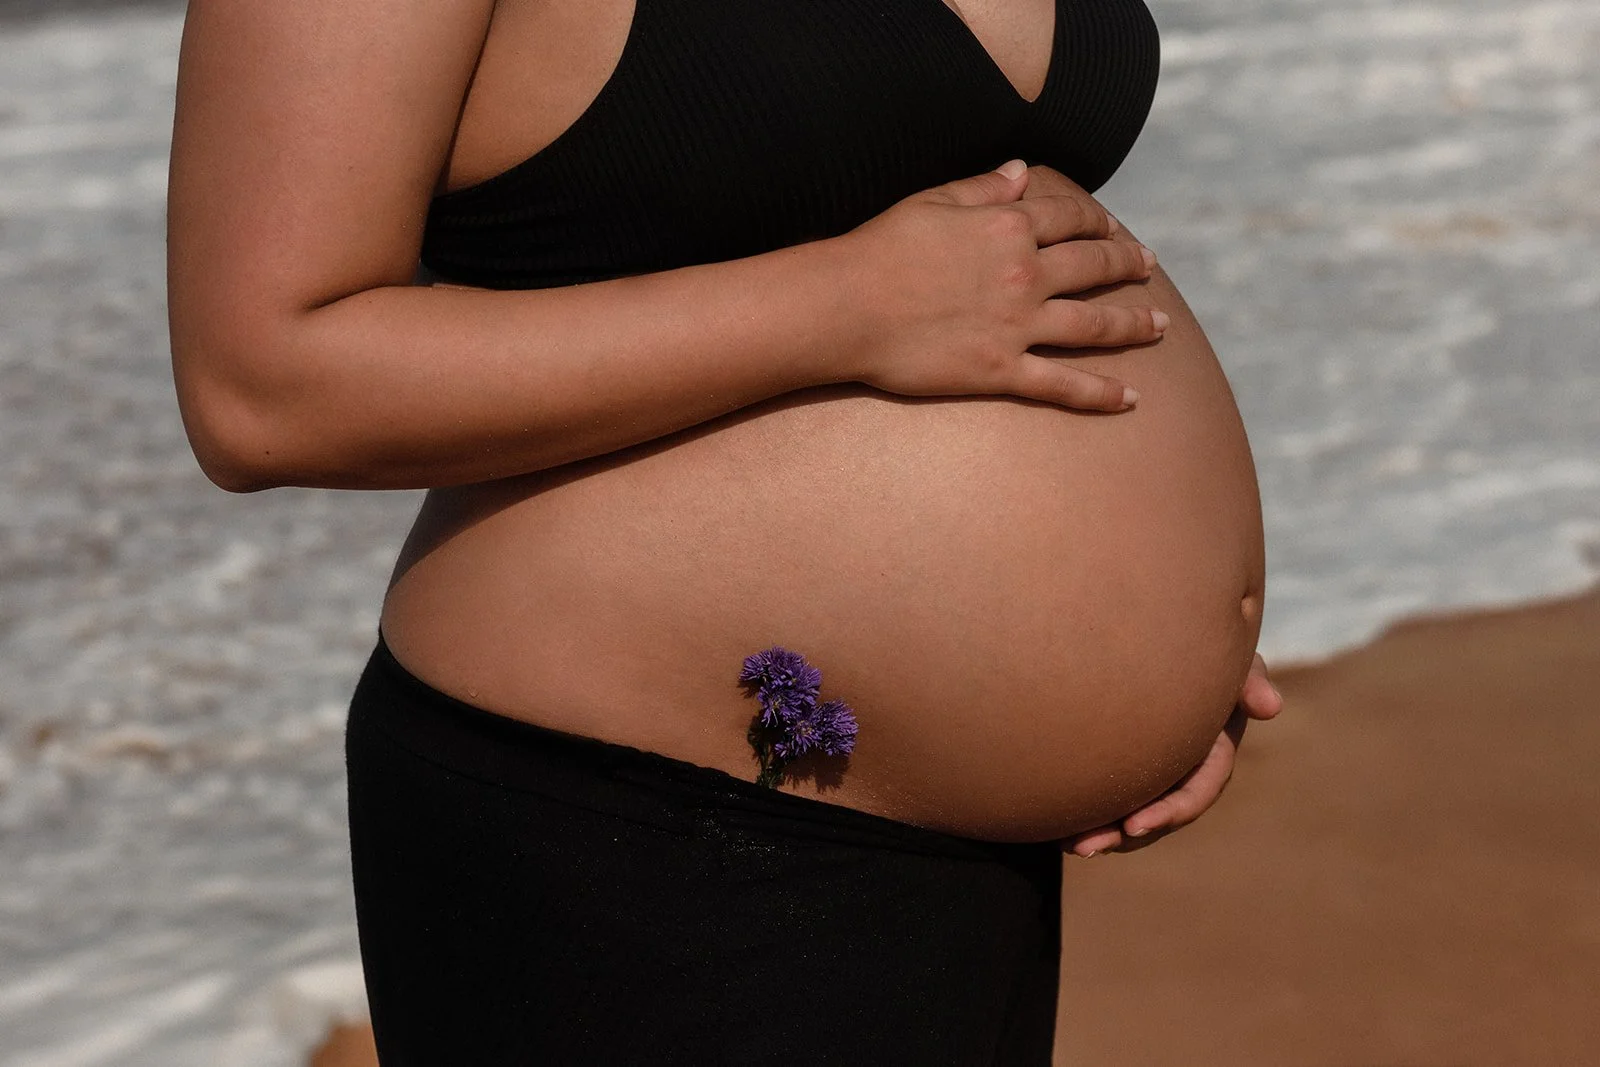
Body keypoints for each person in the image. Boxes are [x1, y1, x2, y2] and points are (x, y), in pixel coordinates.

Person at [167, 0, 1284, 1061]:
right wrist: (842, 307)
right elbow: (261, 385)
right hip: (646, 834)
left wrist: (1142, 628)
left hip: (963, 857)